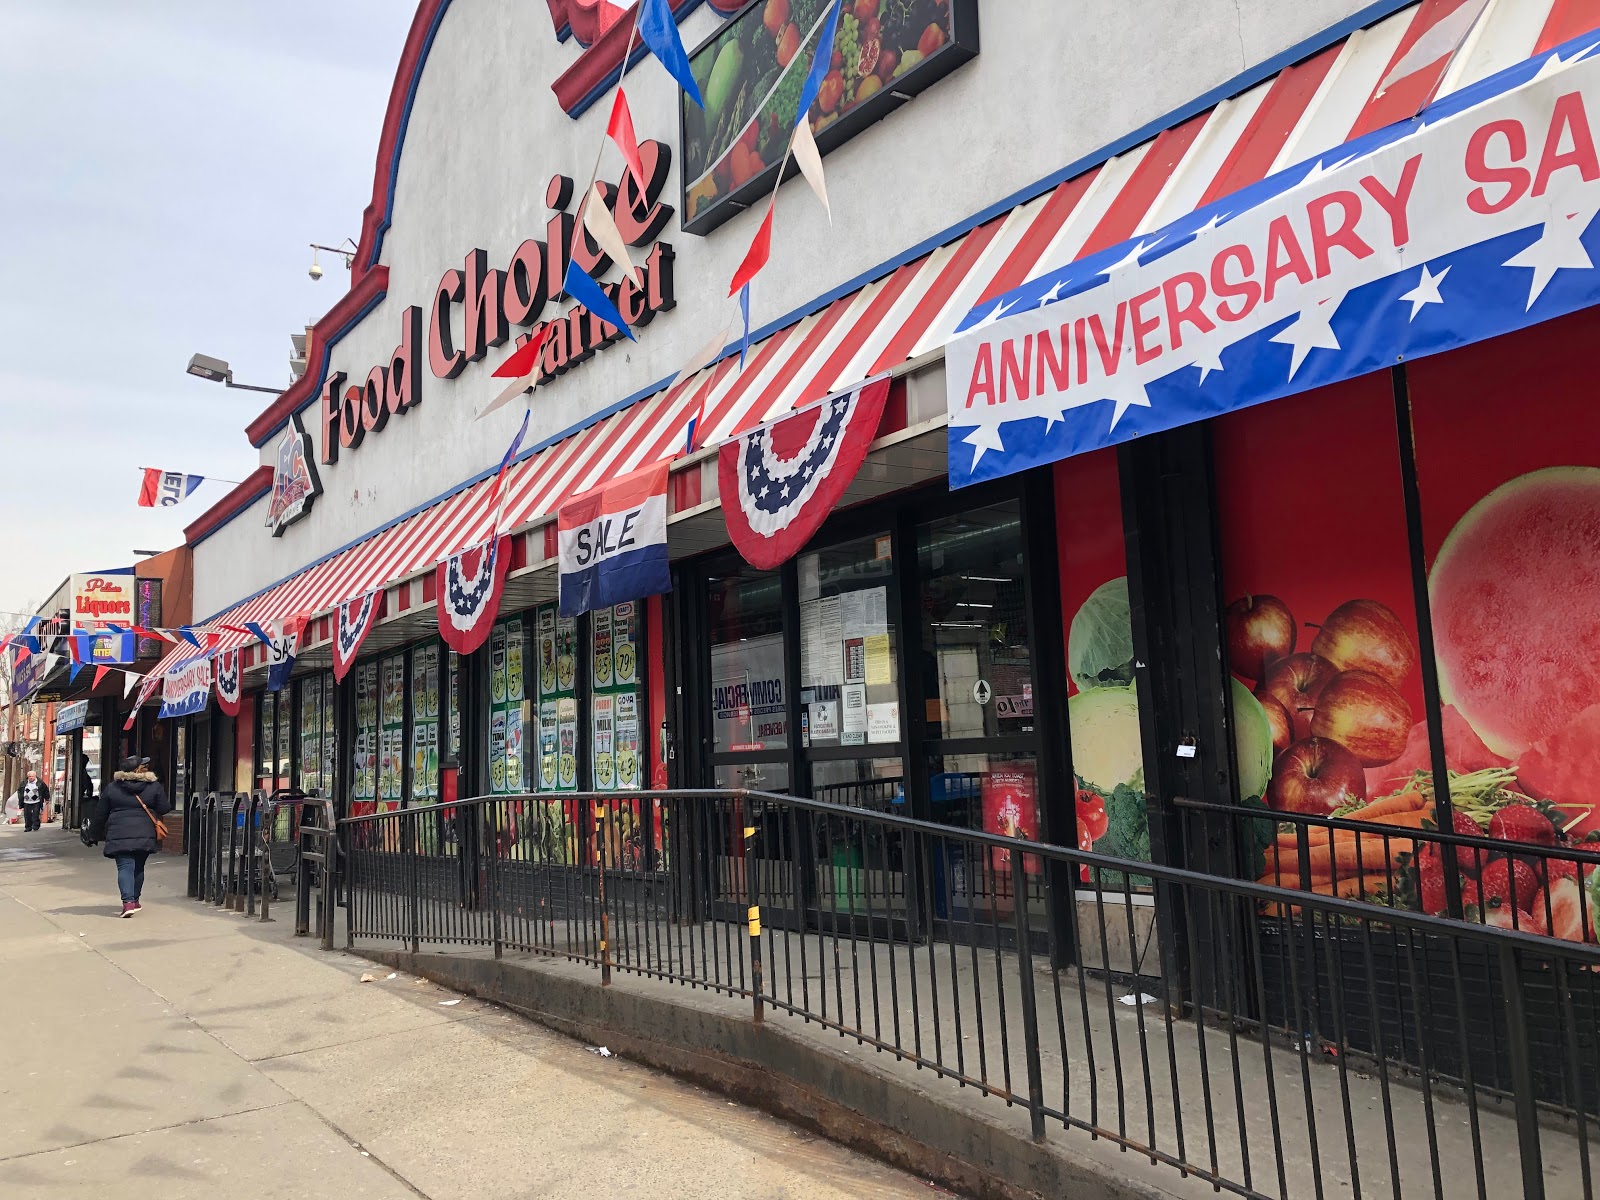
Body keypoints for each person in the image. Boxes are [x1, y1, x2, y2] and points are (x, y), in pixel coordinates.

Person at [86, 756, 172, 917]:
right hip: (145, 832)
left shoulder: (112, 788)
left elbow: (100, 814)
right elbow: (165, 808)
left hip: (119, 833)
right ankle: (135, 900)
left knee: (125, 867)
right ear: (139, 769)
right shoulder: (153, 786)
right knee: (138, 867)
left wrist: (94, 835)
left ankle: (128, 903)